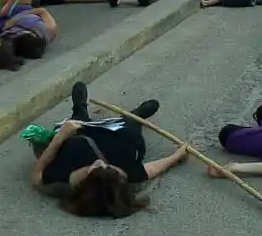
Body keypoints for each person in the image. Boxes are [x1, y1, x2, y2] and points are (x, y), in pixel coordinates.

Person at [27, 83, 186, 214]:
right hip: (124, 138)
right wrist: (176, 157)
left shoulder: (60, 180)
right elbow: (151, 169)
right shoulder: (122, 176)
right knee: (130, 125)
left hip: (81, 137)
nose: (99, 162)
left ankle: (80, 107)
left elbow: (36, 176)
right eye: (108, 167)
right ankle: (135, 116)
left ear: (83, 185)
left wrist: (59, 137)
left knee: (77, 121)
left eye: (95, 168)